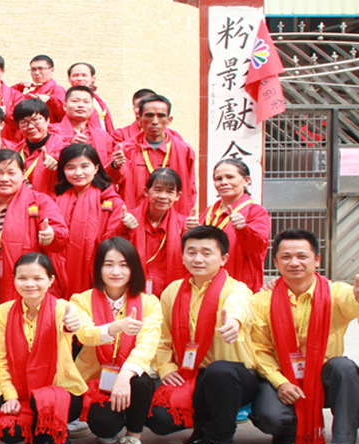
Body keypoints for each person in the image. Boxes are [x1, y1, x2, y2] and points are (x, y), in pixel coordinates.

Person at [246, 229, 359, 444]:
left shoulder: (334, 292)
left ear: (317, 260)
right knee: (271, 417)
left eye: (302, 256)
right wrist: (280, 382)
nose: (294, 263)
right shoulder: (262, 300)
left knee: (344, 367)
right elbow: (258, 349)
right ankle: (290, 429)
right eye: (286, 257)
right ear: (276, 262)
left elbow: (351, 301)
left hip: (323, 377)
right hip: (285, 376)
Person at [145, 225, 257, 444]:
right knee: (159, 420)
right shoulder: (172, 292)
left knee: (219, 372)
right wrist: (165, 368)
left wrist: (234, 321)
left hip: (235, 377)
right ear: (182, 256)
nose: (198, 259)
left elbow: (239, 305)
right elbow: (161, 338)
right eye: (191, 252)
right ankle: (203, 425)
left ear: (223, 258)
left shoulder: (236, 289)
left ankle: (219, 442)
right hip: (192, 373)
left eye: (207, 253)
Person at [0, 252, 94, 444]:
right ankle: (37, 436)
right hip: (23, 393)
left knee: (46, 397)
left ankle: (59, 441)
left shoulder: (63, 308)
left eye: (38, 278)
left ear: (51, 280)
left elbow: (80, 329)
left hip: (63, 395)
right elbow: (0, 360)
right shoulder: (3, 312)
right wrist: (10, 396)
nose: (30, 284)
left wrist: (74, 325)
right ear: (14, 279)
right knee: (9, 430)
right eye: (22, 278)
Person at [71, 238, 164, 444]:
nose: (116, 272)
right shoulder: (81, 300)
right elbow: (84, 335)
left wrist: (124, 375)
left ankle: (133, 438)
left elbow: (148, 344)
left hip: (130, 380)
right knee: (103, 425)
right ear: (98, 268)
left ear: (133, 268)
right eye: (108, 264)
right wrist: (114, 328)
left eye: (123, 265)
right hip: (95, 380)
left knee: (141, 381)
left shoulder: (149, 303)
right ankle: (110, 428)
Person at [0, 150, 68, 308]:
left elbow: (61, 235)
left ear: (23, 174)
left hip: (29, 281)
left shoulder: (40, 202)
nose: (4, 179)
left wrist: (51, 236)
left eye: (11, 173)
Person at [53, 144, 126, 296]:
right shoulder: (55, 201)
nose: (78, 173)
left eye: (84, 166)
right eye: (70, 168)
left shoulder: (111, 202)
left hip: (96, 275)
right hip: (59, 275)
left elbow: (112, 244)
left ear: (96, 168)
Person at [188, 158, 270, 292]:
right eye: (218, 179)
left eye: (230, 177)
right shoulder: (210, 212)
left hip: (240, 286)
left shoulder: (255, 211)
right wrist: (190, 231)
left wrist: (243, 229)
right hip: (207, 284)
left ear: (246, 181)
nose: (223, 182)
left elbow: (258, 247)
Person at [114, 94, 197, 214]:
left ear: (169, 120)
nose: (155, 121)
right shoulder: (126, 149)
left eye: (161, 116)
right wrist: (114, 166)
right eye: (149, 115)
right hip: (134, 216)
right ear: (139, 120)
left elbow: (190, 189)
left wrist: (184, 217)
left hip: (173, 217)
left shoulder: (184, 150)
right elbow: (114, 182)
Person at [119, 168, 189, 295]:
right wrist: (123, 228)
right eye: (158, 190)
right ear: (146, 191)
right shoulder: (129, 219)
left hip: (168, 290)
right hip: (133, 287)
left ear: (178, 196)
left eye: (170, 192)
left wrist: (193, 233)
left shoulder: (183, 224)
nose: (163, 196)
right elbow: (111, 248)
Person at [49, 86, 118, 172]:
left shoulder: (103, 135)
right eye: (75, 101)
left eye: (86, 102)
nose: (81, 105)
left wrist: (115, 165)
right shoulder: (51, 131)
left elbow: (107, 169)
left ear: (92, 109)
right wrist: (69, 144)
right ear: (65, 106)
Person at [8, 99, 62, 191]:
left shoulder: (61, 145)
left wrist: (58, 161)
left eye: (35, 120)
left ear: (47, 120)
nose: (30, 126)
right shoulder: (17, 150)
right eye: (24, 122)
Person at [12, 55, 66, 125]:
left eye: (41, 69)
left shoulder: (58, 90)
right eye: (33, 69)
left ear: (52, 70)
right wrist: (19, 86)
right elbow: (9, 99)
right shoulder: (31, 94)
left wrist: (49, 100)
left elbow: (64, 113)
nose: (37, 73)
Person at [67, 62, 116, 133]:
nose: (80, 79)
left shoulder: (97, 99)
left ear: (93, 78)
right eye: (75, 75)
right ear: (69, 78)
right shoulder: (65, 99)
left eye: (84, 75)